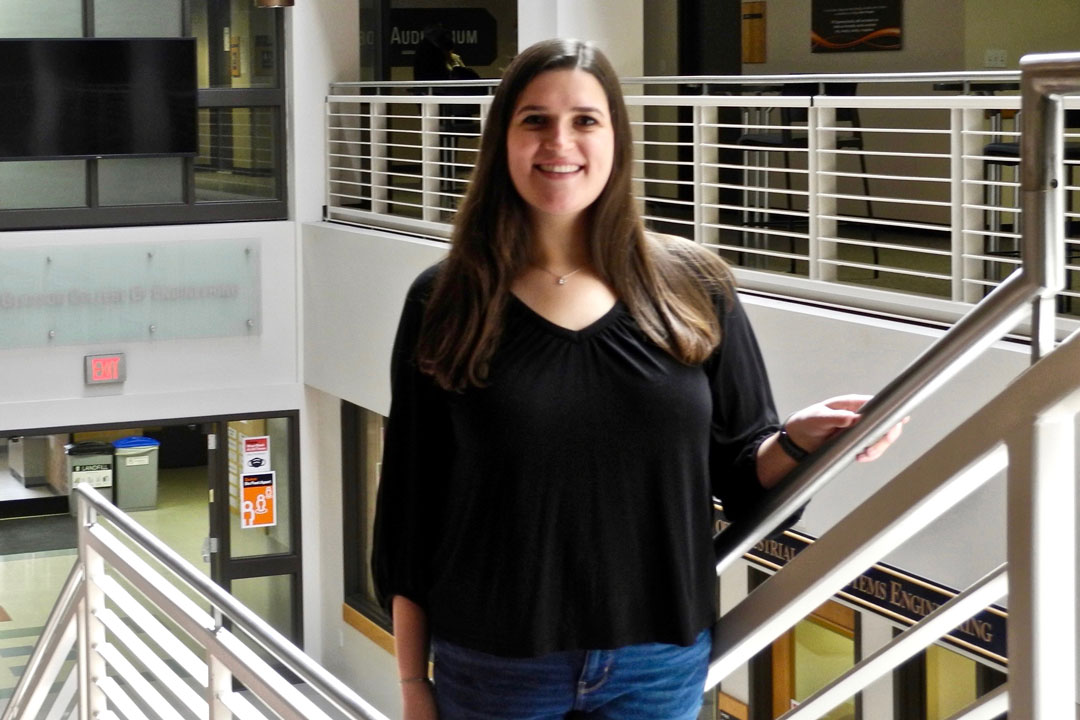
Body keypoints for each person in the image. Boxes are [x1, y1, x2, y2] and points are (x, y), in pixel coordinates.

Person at [373, 38, 904, 720]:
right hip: (495, 662)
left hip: (657, 663)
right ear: (501, 140)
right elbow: (410, 510)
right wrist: (414, 684)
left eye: (584, 120)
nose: (558, 142)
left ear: (617, 139)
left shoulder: (694, 286)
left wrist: (802, 440)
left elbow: (743, 476)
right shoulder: (446, 297)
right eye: (534, 119)